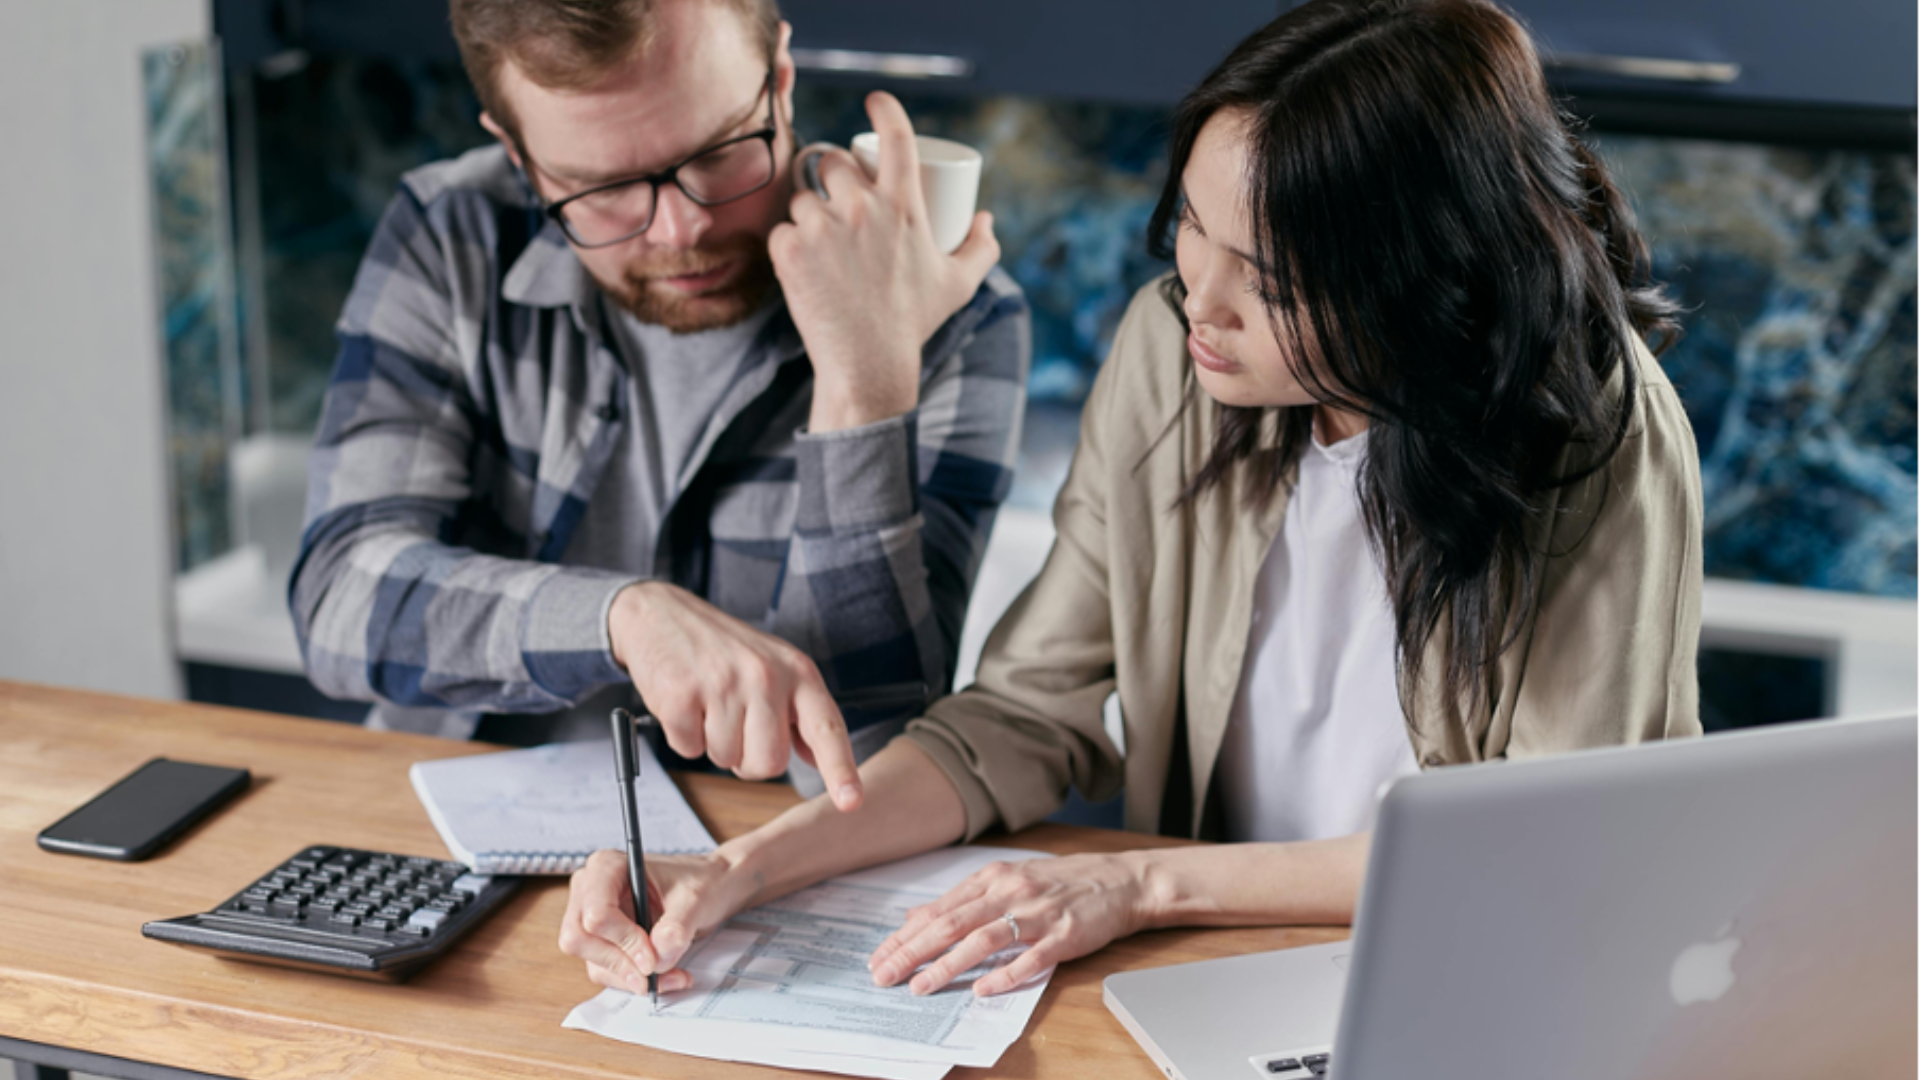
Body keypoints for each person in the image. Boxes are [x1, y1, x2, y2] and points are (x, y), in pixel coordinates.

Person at [558, 0, 1705, 1001]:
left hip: (1467, 978)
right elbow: (1019, 717)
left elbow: (1545, 850)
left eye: (1269, 280)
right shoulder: (1172, 354)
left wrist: (1139, 880)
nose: (1196, 300)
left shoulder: (1597, 435)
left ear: (1423, 280)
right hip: (1212, 969)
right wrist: (742, 869)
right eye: (1195, 228)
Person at [289, 0, 1031, 806]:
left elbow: (865, 764)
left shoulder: (953, 310)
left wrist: (863, 386)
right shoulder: (450, 234)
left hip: (765, 863)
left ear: (779, 81)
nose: (682, 230)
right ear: (518, 155)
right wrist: (621, 620)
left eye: (717, 154)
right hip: (450, 828)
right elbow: (339, 599)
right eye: (601, 188)